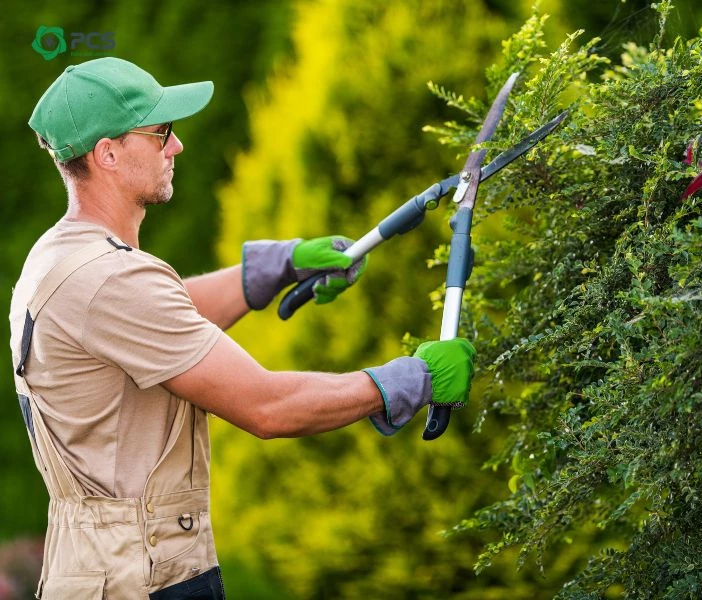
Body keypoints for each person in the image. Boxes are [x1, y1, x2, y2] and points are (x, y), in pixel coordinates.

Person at [9, 58, 476, 600]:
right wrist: (410, 380)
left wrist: (280, 265)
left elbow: (163, 317)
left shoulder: (63, 258)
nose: (176, 146)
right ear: (107, 153)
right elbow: (267, 407)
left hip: (104, 569)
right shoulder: (109, 278)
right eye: (160, 133)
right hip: (144, 580)